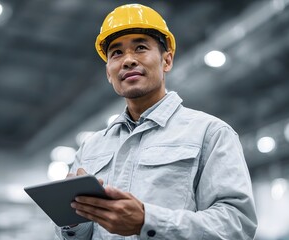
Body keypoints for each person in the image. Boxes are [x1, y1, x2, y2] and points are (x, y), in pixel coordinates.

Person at [55, 3, 257, 240]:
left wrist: (146, 221)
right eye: (116, 53)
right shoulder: (90, 148)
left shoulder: (210, 134)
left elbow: (237, 226)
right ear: (109, 73)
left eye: (140, 47)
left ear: (167, 60)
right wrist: (71, 219)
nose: (128, 60)